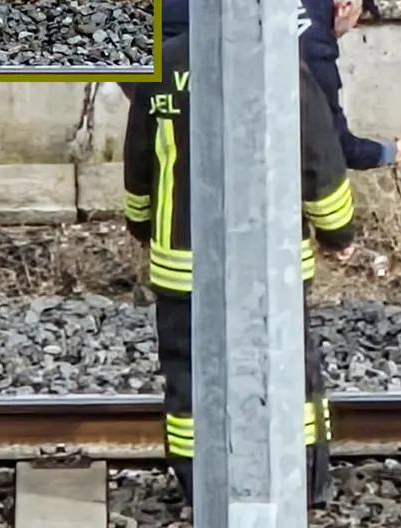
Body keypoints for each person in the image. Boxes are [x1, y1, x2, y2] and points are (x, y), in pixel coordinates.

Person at [122, 30, 358, 508]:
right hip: (272, 269)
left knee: (190, 382)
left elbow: (140, 162)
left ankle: (200, 487)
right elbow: (318, 159)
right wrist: (338, 233)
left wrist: (144, 225)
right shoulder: (277, 63)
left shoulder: (160, 69)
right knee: (288, 373)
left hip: (181, 265)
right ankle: (304, 483)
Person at [147, 0, 401, 168]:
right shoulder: (313, 46)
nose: (355, 26)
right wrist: (394, 151)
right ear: (345, 7)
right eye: (361, 16)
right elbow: (333, 145)